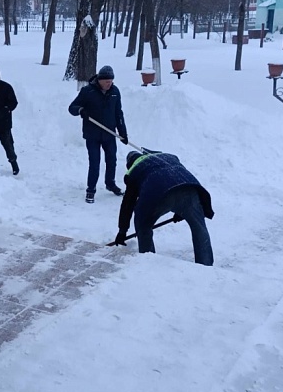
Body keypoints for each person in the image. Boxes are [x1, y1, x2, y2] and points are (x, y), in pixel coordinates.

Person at [114, 150, 214, 266]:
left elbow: (128, 204)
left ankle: (147, 261)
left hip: (159, 195)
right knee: (199, 227)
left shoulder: (134, 170)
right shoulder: (167, 156)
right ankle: (205, 264)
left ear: (130, 164)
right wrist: (181, 211)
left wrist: (122, 231)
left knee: (143, 224)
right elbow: (175, 178)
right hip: (190, 189)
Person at [67, 65, 128, 203]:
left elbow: (118, 113)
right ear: (100, 80)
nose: (109, 83)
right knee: (95, 162)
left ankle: (110, 183)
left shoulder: (115, 92)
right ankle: (91, 190)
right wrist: (81, 110)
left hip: (109, 134)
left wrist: (123, 132)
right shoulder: (87, 91)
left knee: (112, 160)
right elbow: (72, 108)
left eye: (111, 81)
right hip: (92, 134)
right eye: (107, 81)